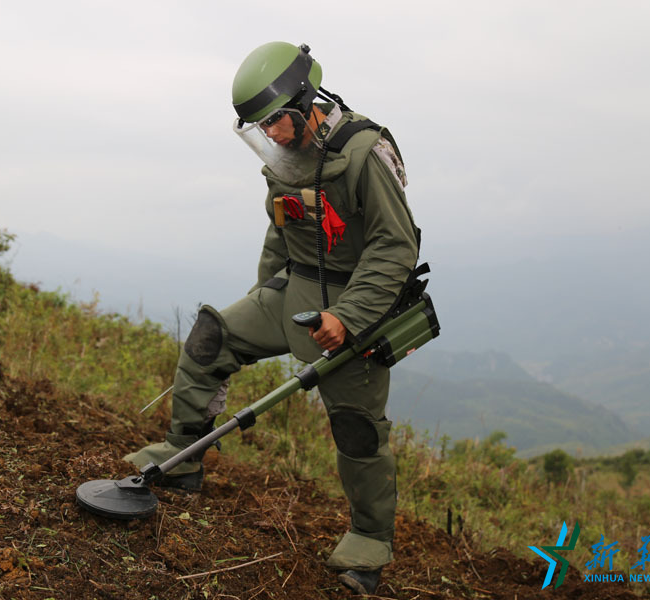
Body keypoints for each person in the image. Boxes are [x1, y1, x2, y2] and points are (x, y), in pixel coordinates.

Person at [125, 41, 421, 595]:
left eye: (277, 124)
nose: (272, 137)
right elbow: (283, 228)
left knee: (357, 430)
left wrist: (349, 317)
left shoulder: (363, 151)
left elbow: (393, 247)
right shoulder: (287, 155)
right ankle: (183, 456)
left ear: (306, 104)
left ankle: (369, 545)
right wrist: (263, 294)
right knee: (212, 336)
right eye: (261, 128)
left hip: (358, 307)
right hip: (295, 292)